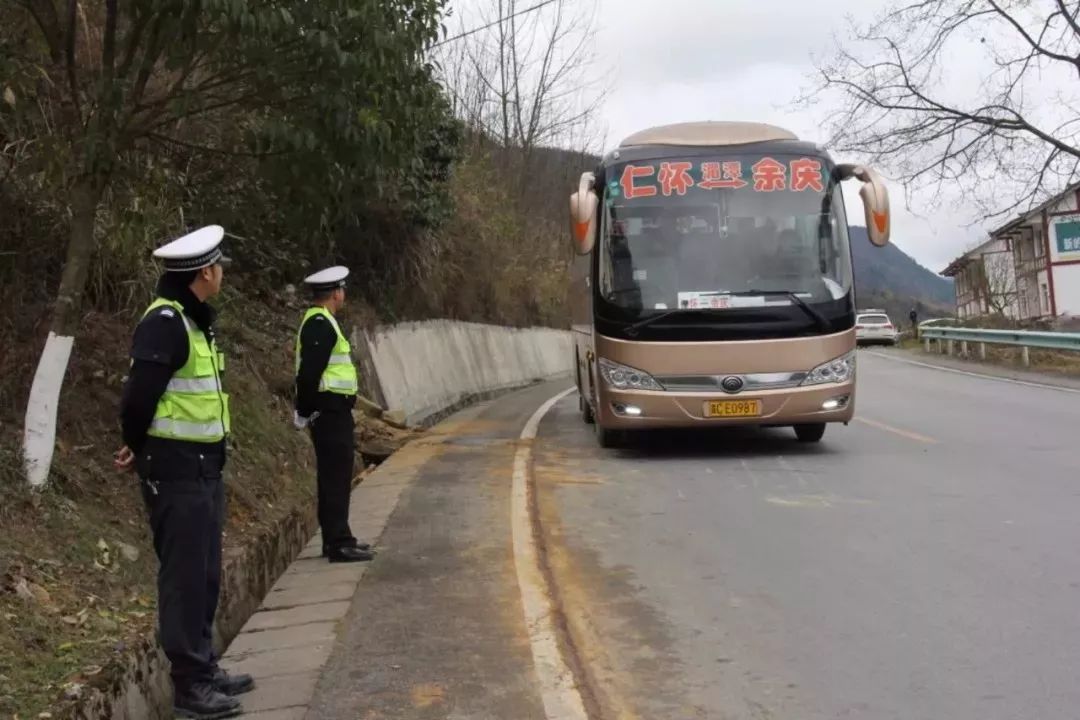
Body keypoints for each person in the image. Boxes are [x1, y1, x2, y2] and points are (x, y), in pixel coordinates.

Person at [113, 225, 252, 719]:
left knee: (206, 575)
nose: (222, 274)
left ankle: (204, 668)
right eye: (218, 267)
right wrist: (136, 444)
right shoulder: (166, 322)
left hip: (202, 470)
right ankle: (190, 687)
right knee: (184, 578)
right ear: (204, 272)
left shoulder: (194, 322)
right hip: (175, 472)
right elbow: (137, 398)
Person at [293, 266, 374, 563]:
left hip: (333, 412)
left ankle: (337, 537)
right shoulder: (319, 324)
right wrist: (304, 410)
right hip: (328, 413)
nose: (344, 295)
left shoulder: (324, 321)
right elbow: (309, 374)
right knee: (335, 478)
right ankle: (339, 543)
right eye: (343, 290)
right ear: (336, 293)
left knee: (337, 476)